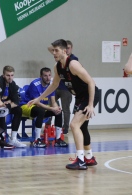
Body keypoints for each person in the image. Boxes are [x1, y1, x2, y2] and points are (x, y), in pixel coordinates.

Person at [28, 39, 99, 170]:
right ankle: (89, 157)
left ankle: (81, 160)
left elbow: (91, 82)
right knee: (82, 128)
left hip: (88, 96)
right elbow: (54, 85)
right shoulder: (57, 67)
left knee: (74, 125)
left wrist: (90, 105)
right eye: (53, 50)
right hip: (80, 96)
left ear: (64, 51)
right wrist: (39, 99)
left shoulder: (73, 65)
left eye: (56, 50)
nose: (53, 52)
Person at [20, 67, 68, 147]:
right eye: (45, 76)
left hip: (42, 106)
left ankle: (58, 139)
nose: (48, 78)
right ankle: (37, 140)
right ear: (40, 76)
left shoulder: (51, 85)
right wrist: (51, 108)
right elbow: (37, 103)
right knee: (41, 111)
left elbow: (53, 101)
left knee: (59, 112)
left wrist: (56, 108)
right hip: (28, 105)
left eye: (49, 75)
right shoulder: (34, 84)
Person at [0, 66, 26, 148]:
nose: (10, 78)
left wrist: (9, 104)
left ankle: (13, 138)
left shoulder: (12, 84)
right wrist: (7, 104)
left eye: (12, 75)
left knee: (18, 110)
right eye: (8, 75)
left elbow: (16, 101)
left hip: (5, 106)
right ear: (3, 75)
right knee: (3, 109)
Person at [47, 40, 78, 134]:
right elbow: (49, 48)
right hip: (56, 87)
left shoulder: (73, 60)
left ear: (71, 49)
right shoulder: (59, 58)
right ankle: (48, 126)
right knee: (51, 105)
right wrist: (58, 48)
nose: (67, 50)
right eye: (65, 48)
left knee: (66, 109)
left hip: (66, 89)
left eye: (68, 48)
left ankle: (65, 128)